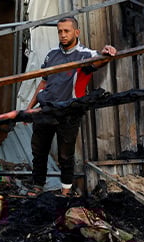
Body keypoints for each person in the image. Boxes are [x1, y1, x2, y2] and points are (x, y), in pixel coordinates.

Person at [26, 16, 117, 197]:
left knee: (65, 155)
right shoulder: (52, 54)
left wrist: (107, 53)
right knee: (39, 151)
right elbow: (43, 83)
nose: (63, 35)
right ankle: (37, 186)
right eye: (60, 31)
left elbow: (100, 60)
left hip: (69, 112)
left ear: (76, 32)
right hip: (46, 109)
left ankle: (65, 190)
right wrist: (29, 107)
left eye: (66, 31)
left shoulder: (85, 55)